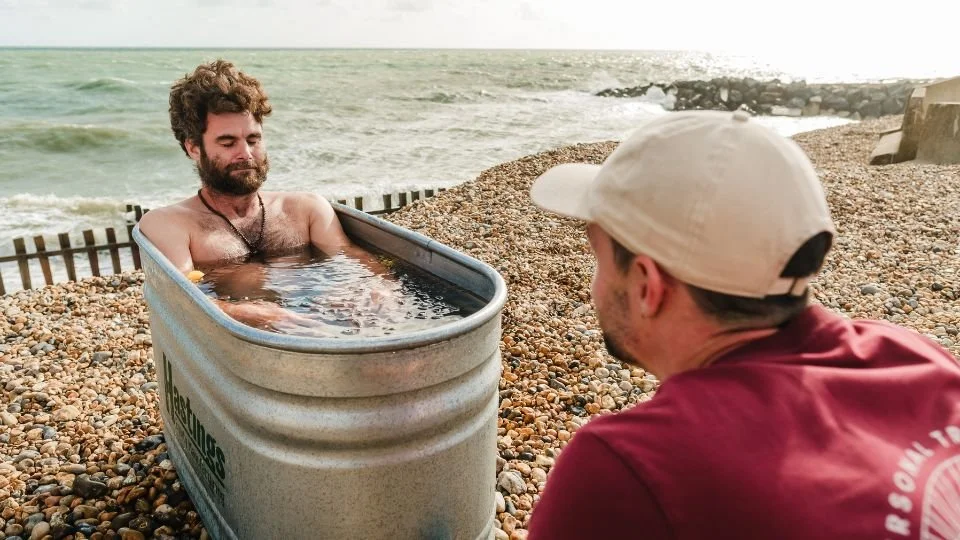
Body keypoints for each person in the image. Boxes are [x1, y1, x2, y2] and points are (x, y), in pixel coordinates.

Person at [525, 110, 960, 539]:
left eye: (597, 257)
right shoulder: (917, 360)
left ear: (646, 286)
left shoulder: (630, 471)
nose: (594, 285)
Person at [138, 59, 395, 330]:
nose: (246, 154)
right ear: (193, 148)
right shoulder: (171, 224)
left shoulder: (307, 209)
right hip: (241, 338)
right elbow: (179, 299)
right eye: (228, 143)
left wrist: (377, 289)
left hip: (328, 322)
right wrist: (244, 313)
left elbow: (353, 259)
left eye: (253, 140)